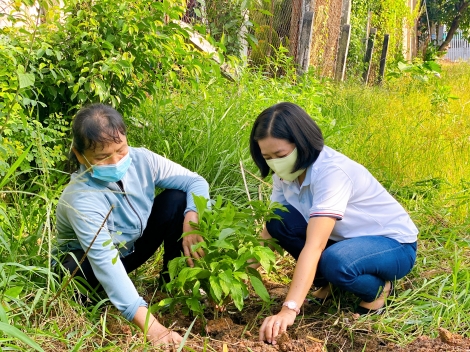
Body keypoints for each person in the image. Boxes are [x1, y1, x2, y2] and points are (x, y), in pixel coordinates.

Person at [249, 102, 418, 345]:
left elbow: (315, 246)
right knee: (279, 221)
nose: (275, 164)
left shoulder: (332, 172)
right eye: (267, 157)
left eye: (280, 155)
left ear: (302, 143)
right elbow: (269, 230)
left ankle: (377, 291)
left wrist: (289, 308)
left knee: (335, 261)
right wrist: (241, 274)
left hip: (393, 246)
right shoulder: (285, 174)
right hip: (344, 240)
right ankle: (328, 285)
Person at [55, 103, 209, 347]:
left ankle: (173, 280)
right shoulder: (80, 198)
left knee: (177, 200)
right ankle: (100, 300)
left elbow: (196, 182)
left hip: (128, 250)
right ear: (79, 155)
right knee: (83, 269)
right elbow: (105, 262)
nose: (116, 161)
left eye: (121, 150)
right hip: (84, 270)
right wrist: (153, 328)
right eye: (103, 157)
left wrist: (192, 218)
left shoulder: (142, 160)